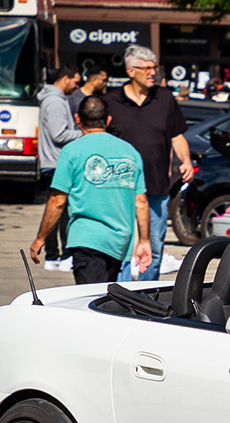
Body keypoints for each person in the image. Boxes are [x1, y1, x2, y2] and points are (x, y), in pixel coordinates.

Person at [29, 96, 150, 285]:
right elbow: (141, 202)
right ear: (108, 120)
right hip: (119, 241)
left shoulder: (71, 151)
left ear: (78, 120)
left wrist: (40, 238)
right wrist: (144, 241)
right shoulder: (130, 152)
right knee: (103, 299)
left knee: (90, 303)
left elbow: (58, 200)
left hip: (86, 239)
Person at [103, 44, 192, 281]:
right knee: (121, 250)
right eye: (148, 68)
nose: (153, 72)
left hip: (156, 188)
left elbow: (177, 135)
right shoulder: (111, 101)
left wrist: (186, 161)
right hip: (119, 190)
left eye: (155, 67)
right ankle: (119, 298)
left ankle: (145, 298)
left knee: (152, 248)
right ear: (131, 71)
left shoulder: (165, 98)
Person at [38, 66, 83, 272]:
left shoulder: (52, 98)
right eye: (75, 81)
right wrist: (84, 134)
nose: (77, 86)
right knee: (62, 211)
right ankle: (61, 255)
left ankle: (54, 255)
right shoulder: (55, 101)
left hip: (52, 163)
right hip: (57, 163)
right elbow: (59, 134)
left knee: (57, 210)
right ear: (65, 78)